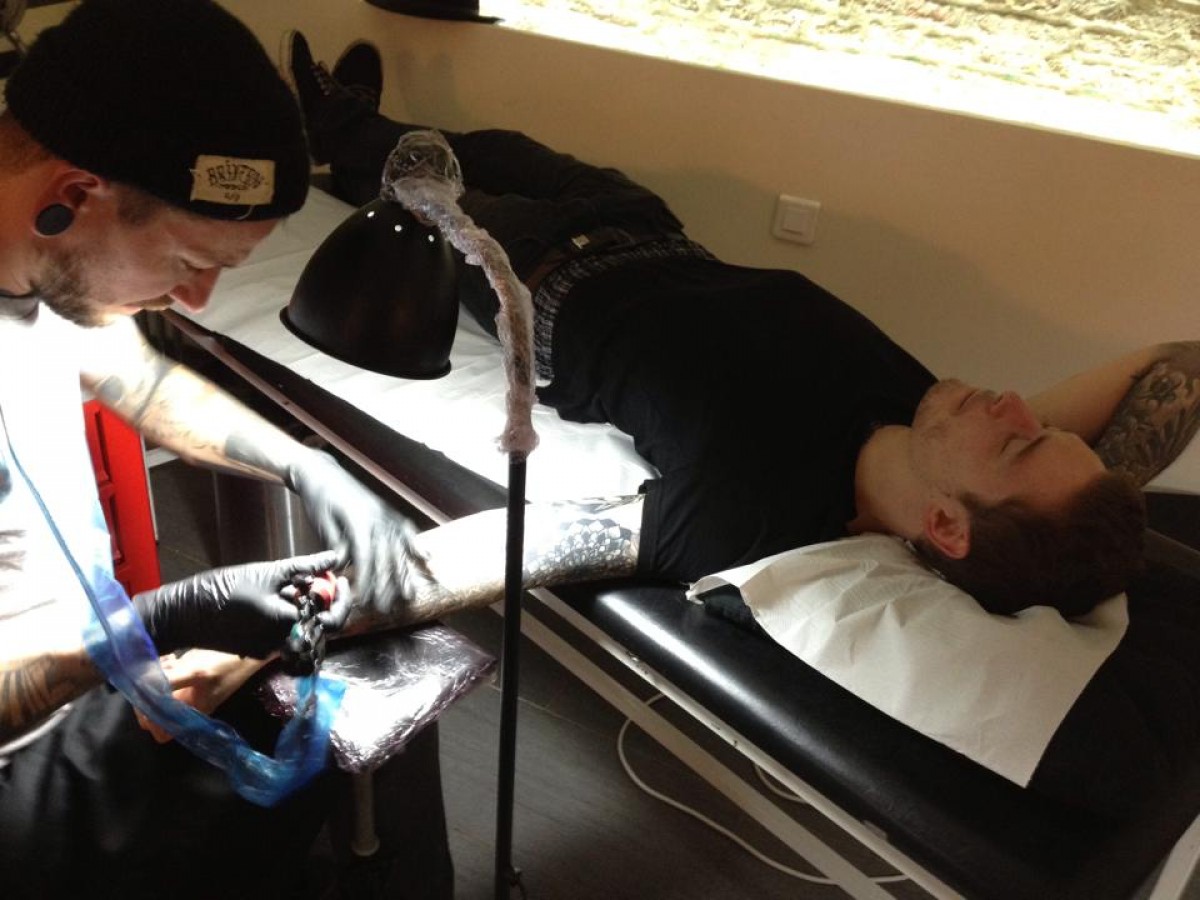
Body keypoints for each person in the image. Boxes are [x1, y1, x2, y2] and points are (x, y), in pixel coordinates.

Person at [285, 33, 1196, 625]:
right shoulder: (933, 424)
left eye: (1021, 442)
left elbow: (518, 549)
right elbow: (1168, 370)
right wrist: (1094, 461)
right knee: (489, 144)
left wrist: (295, 612)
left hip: (529, 265)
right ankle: (355, 130)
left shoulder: (753, 508)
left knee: (425, 177)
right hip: (639, 221)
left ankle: (330, 127)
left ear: (945, 527)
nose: (1017, 405)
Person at [0, 4, 449, 899]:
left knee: (386, 656)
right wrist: (156, 629)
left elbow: (134, 375)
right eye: (186, 261)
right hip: (18, 766)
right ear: (75, 194)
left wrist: (302, 464)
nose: (197, 301)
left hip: (94, 675)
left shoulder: (43, 265)